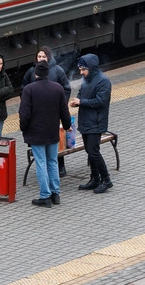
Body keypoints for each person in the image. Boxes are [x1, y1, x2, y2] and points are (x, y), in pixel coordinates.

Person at [20, 61, 72, 207]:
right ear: (48, 73)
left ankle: (45, 196)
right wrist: (67, 126)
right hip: (52, 132)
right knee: (53, 162)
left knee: (41, 163)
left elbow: (24, 113)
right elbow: (64, 111)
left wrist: (23, 128)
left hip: (36, 134)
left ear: (36, 73)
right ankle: (56, 194)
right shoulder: (57, 88)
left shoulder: (29, 90)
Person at [22, 47, 72, 177]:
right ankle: (50, 175)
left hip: (53, 114)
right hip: (37, 115)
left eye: (43, 57)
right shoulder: (31, 72)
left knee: (56, 141)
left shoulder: (57, 71)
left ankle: (61, 166)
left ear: (48, 57)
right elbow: (24, 89)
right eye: (39, 57)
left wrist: (61, 104)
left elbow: (66, 88)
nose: (41, 59)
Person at [69, 53, 113, 193]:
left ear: (91, 68)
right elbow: (82, 93)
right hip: (86, 121)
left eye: (83, 69)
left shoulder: (103, 81)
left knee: (93, 151)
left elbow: (101, 101)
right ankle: (95, 178)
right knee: (89, 150)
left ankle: (106, 180)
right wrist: (77, 100)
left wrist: (81, 102)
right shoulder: (86, 79)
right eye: (80, 70)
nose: (81, 72)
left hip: (96, 122)